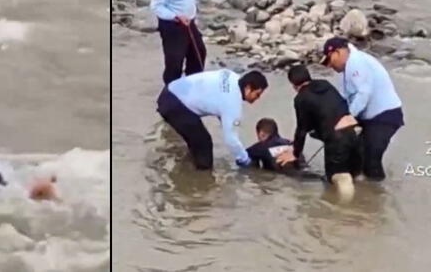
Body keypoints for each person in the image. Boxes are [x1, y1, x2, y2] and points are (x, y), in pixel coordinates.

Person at [320, 37, 404, 181]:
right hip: (369, 118)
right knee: (358, 156)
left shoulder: (356, 62)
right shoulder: (349, 67)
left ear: (338, 53)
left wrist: (350, 117)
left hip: (384, 116)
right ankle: (362, 192)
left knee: (371, 160)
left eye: (329, 60)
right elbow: (348, 97)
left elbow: (364, 92)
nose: (329, 66)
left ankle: (378, 195)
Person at [277, 65, 362, 198]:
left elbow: (301, 129)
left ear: (293, 85)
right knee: (355, 175)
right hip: (352, 134)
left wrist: (295, 153)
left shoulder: (301, 98)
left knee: (339, 178)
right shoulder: (325, 85)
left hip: (335, 141)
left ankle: (345, 212)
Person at [156, 69, 268, 170]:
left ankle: (188, 166)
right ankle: (201, 182)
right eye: (257, 94)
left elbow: (220, 102)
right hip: (176, 106)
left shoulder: (231, 75)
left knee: (196, 139)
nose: (257, 99)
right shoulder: (232, 104)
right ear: (248, 88)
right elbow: (231, 140)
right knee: (204, 145)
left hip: (169, 91)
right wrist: (246, 161)